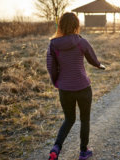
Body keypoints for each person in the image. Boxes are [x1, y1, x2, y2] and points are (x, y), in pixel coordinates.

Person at [46, 12, 105, 160]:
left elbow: (51, 67)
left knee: (69, 119)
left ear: (60, 25)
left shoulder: (53, 44)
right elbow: (92, 58)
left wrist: (56, 82)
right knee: (85, 120)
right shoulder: (81, 41)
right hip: (83, 87)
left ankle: (56, 148)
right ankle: (83, 151)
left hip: (65, 89)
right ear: (76, 25)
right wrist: (99, 65)